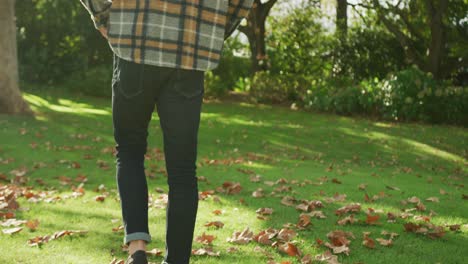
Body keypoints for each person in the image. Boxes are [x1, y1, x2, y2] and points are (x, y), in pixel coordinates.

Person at [79, 1, 254, 264]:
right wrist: (211, 28)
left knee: (129, 152)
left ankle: (137, 251)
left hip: (134, 40)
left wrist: (102, 17)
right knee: (183, 169)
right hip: (189, 48)